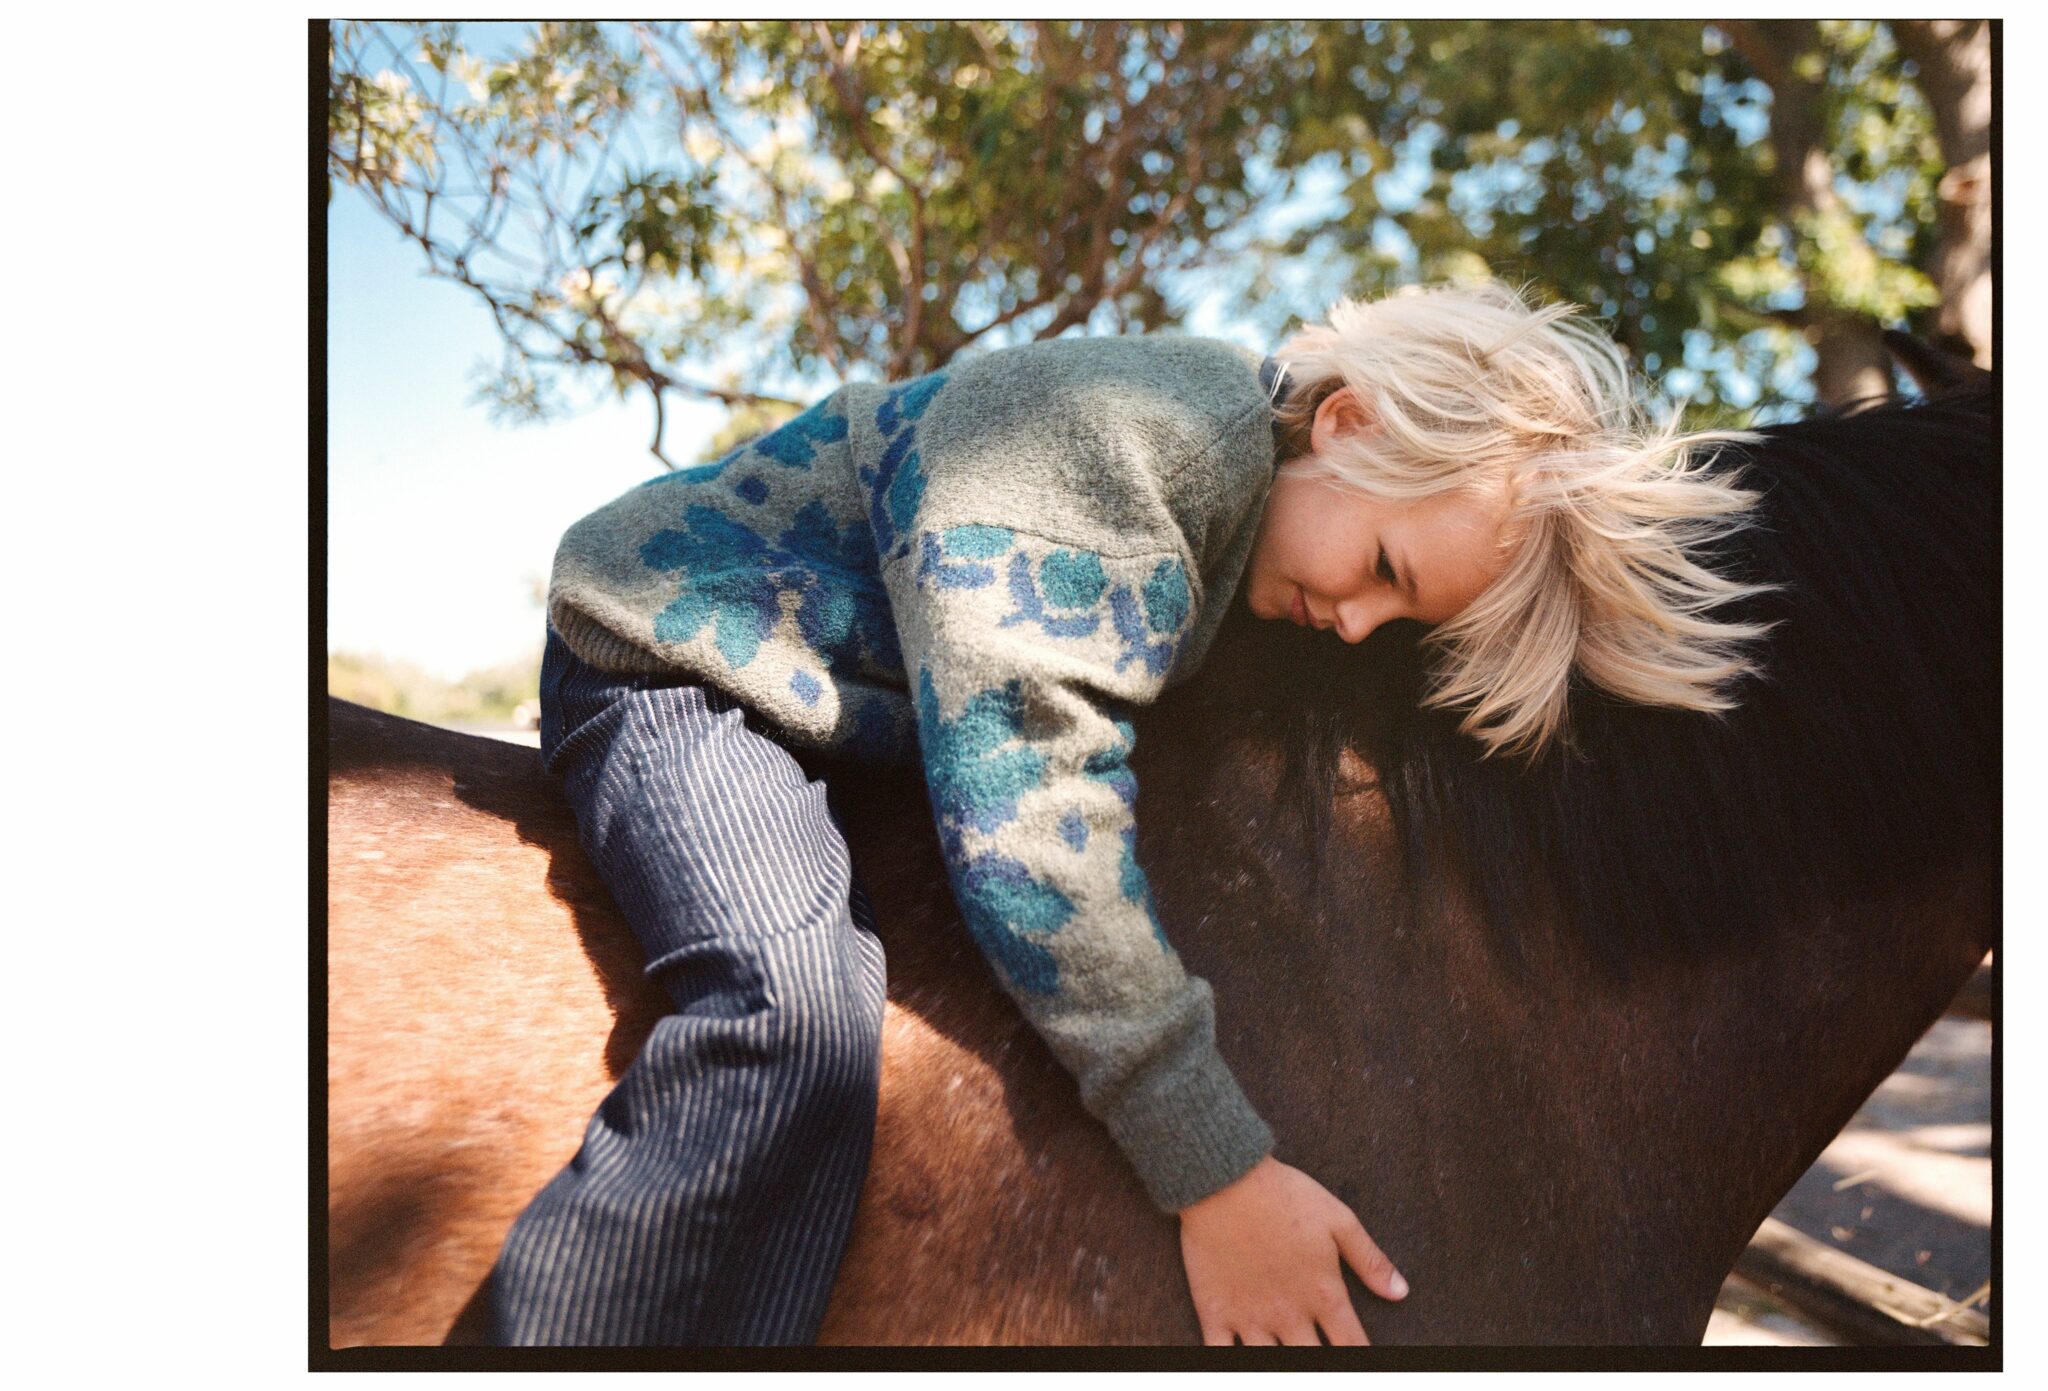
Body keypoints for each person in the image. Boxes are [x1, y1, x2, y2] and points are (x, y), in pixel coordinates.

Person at [486, 279, 1768, 1346]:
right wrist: (1210, 1161)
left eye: (1401, 617)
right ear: (1345, 420)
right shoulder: (1130, 441)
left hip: (842, 707)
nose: (1359, 621)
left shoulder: (1249, 531)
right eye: (1382, 571)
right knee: (796, 1014)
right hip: (684, 656)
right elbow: (1029, 810)